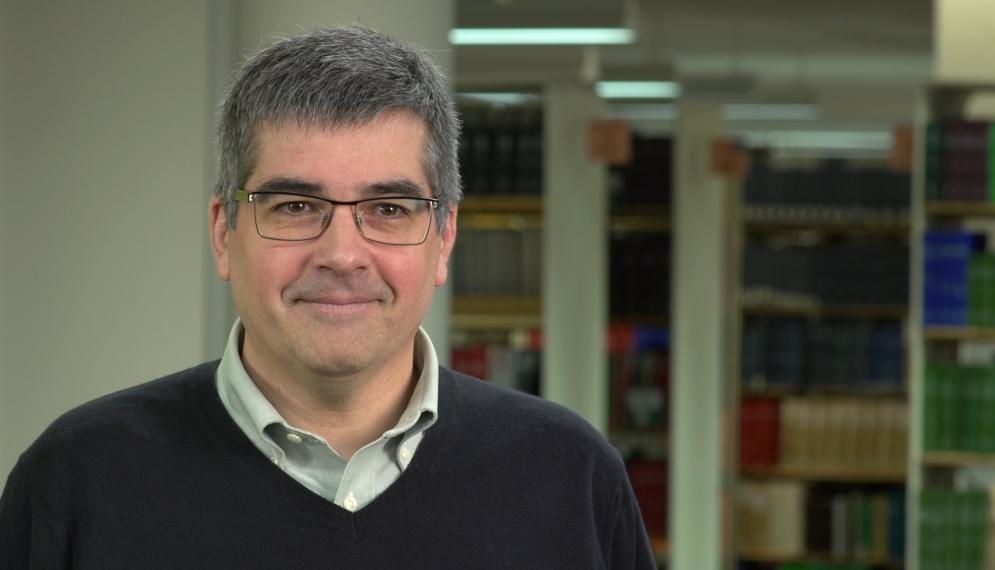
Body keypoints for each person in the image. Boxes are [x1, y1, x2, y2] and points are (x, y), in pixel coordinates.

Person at [0, 26, 654, 569]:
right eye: (293, 205)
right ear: (223, 232)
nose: (342, 255)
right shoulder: (79, 479)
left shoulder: (568, 476)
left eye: (389, 208)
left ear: (444, 238)